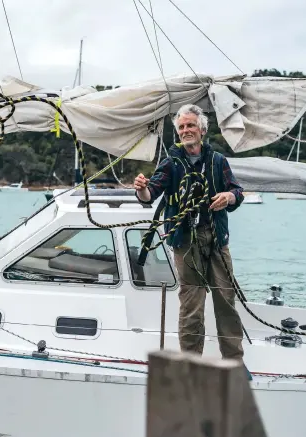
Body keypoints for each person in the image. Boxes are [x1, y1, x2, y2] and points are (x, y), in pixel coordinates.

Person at [133, 103, 245, 360]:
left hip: (216, 239)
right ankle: (192, 363)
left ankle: (234, 360)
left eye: (190, 125)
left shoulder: (218, 161)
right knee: (192, 306)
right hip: (185, 241)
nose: (186, 130)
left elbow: (238, 193)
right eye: (181, 127)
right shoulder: (171, 164)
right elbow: (150, 194)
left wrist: (228, 196)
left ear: (202, 130)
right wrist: (141, 188)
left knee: (225, 301)